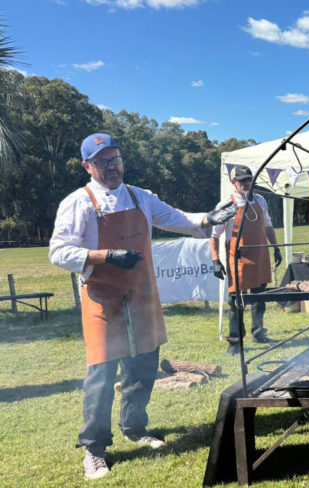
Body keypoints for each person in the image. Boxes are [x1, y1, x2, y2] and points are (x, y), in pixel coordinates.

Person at [48, 133, 236, 480]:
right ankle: (94, 449)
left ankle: (134, 428)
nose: (112, 166)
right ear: (87, 166)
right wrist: (105, 256)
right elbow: (58, 252)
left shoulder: (140, 196)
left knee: (143, 367)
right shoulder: (79, 202)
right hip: (103, 300)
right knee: (102, 376)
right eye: (103, 161)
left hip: (142, 296)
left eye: (115, 159)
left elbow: (180, 220)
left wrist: (211, 217)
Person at [210, 165, 282, 356]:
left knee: (259, 299)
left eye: (249, 179)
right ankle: (235, 342)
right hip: (238, 259)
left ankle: (259, 333)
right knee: (236, 302)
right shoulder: (226, 204)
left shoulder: (260, 200)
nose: (246, 183)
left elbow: (267, 225)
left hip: (260, 255)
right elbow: (214, 235)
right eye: (242, 180)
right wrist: (216, 260)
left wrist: (275, 248)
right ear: (233, 183)